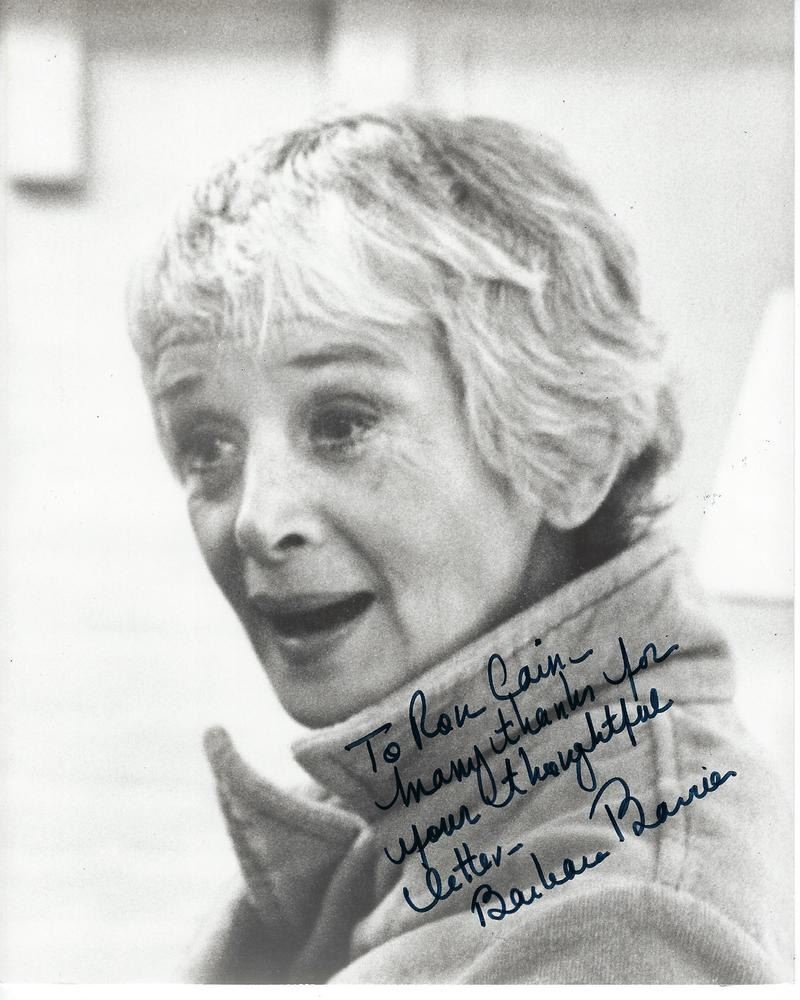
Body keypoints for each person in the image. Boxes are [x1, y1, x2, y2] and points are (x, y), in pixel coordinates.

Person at [127, 109, 791, 984]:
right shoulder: (401, 803)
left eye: (342, 424)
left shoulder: (625, 922)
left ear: (569, 448)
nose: (256, 517)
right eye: (207, 446)